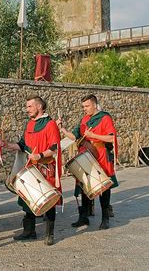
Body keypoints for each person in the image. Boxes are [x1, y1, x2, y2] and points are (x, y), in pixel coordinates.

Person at [4, 96, 62, 246]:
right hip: (30, 168)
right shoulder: (30, 124)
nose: (27, 109)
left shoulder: (50, 124)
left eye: (30, 106)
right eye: (27, 106)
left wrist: (40, 155)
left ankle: (49, 234)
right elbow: (23, 145)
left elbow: (54, 148)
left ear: (40, 106)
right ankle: (29, 231)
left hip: (45, 168)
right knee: (27, 199)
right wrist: (8, 145)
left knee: (48, 201)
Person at [57, 94, 118, 230]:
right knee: (84, 186)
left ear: (94, 105)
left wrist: (93, 136)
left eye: (87, 106)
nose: (84, 109)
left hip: (101, 155)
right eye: (83, 106)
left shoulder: (105, 118)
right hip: (86, 155)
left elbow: (112, 138)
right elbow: (74, 136)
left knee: (104, 187)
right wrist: (62, 129)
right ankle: (83, 218)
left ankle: (105, 218)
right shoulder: (84, 119)